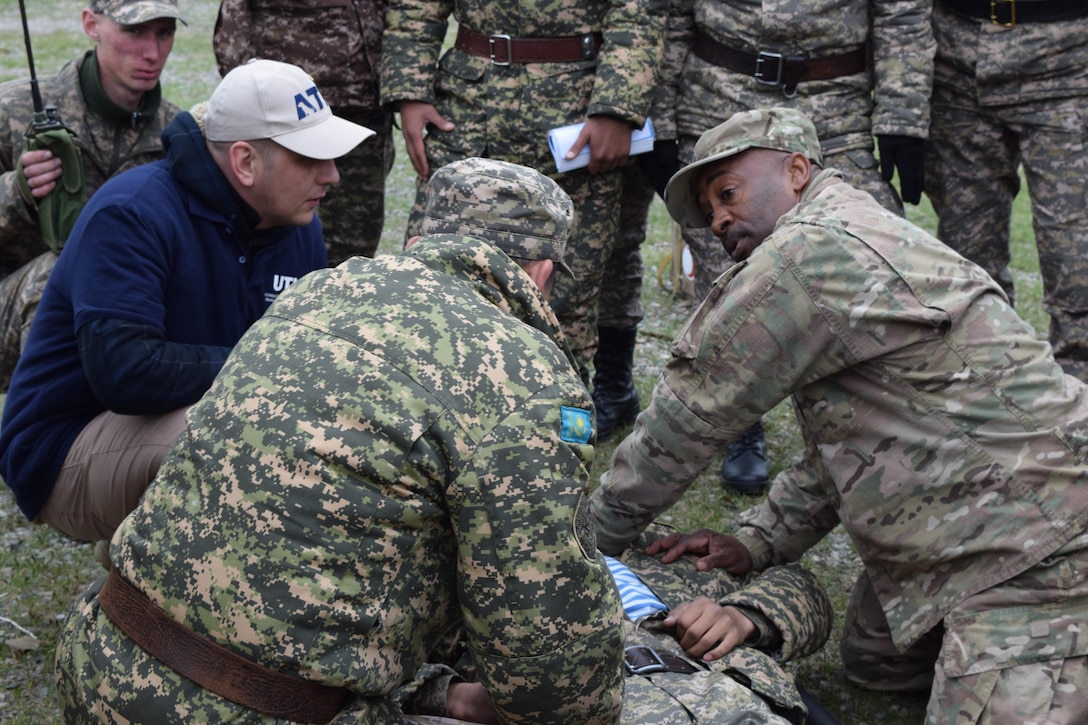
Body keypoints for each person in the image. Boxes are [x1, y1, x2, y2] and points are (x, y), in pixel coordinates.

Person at [54, 158, 625, 724]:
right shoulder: (528, 377)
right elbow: (558, 681)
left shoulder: (313, 294)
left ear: (421, 238)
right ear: (541, 275)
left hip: (100, 662)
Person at [590, 107, 1088, 722]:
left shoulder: (807, 256)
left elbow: (683, 424)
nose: (718, 219)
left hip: (1044, 546)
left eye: (728, 193)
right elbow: (851, 441)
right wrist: (758, 541)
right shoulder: (851, 231)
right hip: (979, 521)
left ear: (797, 171)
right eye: (709, 210)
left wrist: (584, 544)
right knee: (875, 663)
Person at [0, 59, 373, 545]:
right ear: (244, 162)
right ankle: (147, 597)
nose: (333, 176)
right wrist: (276, 365)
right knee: (240, 437)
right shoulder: (132, 213)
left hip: (190, 417)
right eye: (309, 157)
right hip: (65, 447)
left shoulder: (297, 222)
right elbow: (126, 374)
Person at [660, 0, 935, 494]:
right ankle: (740, 428)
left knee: (860, 277)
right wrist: (659, 124)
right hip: (715, 95)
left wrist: (903, 113)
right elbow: (673, 14)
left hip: (834, 104)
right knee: (730, 282)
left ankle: (880, 429)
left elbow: (903, 12)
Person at [381, 0, 666, 380]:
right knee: (432, 271)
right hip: (467, 109)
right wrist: (410, 91)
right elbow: (416, 7)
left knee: (564, 289)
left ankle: (557, 421)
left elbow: (637, 12)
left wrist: (616, 108)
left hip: (574, 119)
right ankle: (424, 409)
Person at [395, 523, 835, 725]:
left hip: (730, 705)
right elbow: (367, 678)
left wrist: (746, 615)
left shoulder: (650, 548)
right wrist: (453, 698)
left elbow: (806, 591)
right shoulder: (449, 586)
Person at [0, 0, 185, 391]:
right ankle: (41, 432)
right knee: (66, 271)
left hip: (128, 312)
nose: (152, 52)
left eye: (164, 33)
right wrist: (17, 192)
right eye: (134, 32)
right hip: (16, 307)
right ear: (91, 24)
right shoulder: (13, 110)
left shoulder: (178, 134)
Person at [924, 0, 1088, 383]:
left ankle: (1079, 423)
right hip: (955, 61)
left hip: (1069, 60)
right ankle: (991, 407)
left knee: (1077, 269)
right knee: (968, 265)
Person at [213, 0, 396, 265]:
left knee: (354, 245)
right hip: (286, 112)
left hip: (365, 106)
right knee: (277, 235)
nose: (331, 174)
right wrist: (250, 100)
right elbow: (236, 15)